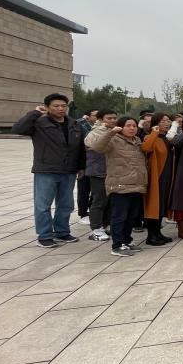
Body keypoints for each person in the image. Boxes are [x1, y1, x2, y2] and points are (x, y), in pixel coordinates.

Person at [12, 94, 86, 247]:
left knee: (66, 204)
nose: (60, 109)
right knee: (43, 205)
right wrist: (35, 113)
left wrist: (81, 166)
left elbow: (80, 148)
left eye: (63, 106)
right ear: (47, 107)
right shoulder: (39, 123)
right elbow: (18, 129)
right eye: (56, 106)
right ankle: (45, 235)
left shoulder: (74, 124)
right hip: (46, 170)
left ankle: (62, 232)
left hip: (69, 171)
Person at [84, 116, 148, 257]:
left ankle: (126, 241)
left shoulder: (137, 141)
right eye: (128, 126)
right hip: (120, 185)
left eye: (134, 126)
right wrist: (111, 132)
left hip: (137, 184)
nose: (132, 128)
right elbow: (97, 147)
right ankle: (117, 245)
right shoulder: (113, 140)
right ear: (120, 127)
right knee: (120, 216)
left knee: (131, 216)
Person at [140, 112, 175, 245]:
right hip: (157, 177)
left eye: (168, 121)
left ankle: (158, 233)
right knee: (154, 206)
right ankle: (151, 236)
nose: (167, 123)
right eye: (163, 121)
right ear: (156, 123)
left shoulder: (165, 138)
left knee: (161, 206)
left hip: (166, 177)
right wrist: (154, 133)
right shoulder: (151, 137)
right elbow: (146, 148)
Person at [84, 109, 117, 241]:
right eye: (109, 118)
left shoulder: (115, 131)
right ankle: (96, 229)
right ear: (100, 119)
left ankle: (105, 225)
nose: (113, 120)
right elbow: (95, 146)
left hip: (111, 171)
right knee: (99, 200)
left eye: (114, 118)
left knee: (109, 201)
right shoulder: (94, 132)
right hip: (98, 171)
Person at [76, 109, 96, 224]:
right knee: (83, 191)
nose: (97, 117)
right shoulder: (81, 125)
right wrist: (80, 167)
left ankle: (92, 212)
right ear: (87, 116)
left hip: (97, 165)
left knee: (95, 192)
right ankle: (83, 213)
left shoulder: (101, 128)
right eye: (95, 115)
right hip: (84, 164)